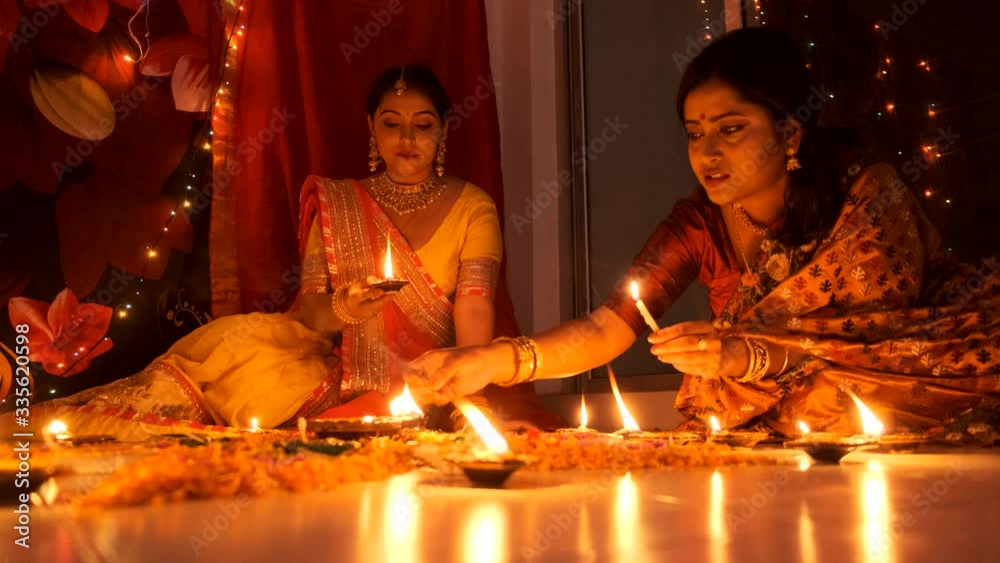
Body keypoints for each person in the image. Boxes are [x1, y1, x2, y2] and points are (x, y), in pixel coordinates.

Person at [404, 29, 1000, 436]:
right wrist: (496, 360)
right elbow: (606, 328)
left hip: (905, 376)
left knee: (840, 388)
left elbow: (878, 340)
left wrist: (746, 355)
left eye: (731, 129)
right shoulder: (697, 223)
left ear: (789, 136)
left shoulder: (868, 196)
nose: (707, 153)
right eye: (694, 133)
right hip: (778, 417)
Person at [21, 64, 557, 438]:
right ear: (372, 129)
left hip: (429, 376)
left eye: (423, 126)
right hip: (337, 365)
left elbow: (475, 303)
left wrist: (471, 395)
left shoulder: (472, 206)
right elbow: (312, 314)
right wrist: (347, 305)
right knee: (232, 363)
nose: (407, 139)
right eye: (391, 125)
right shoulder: (340, 200)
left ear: (442, 132)